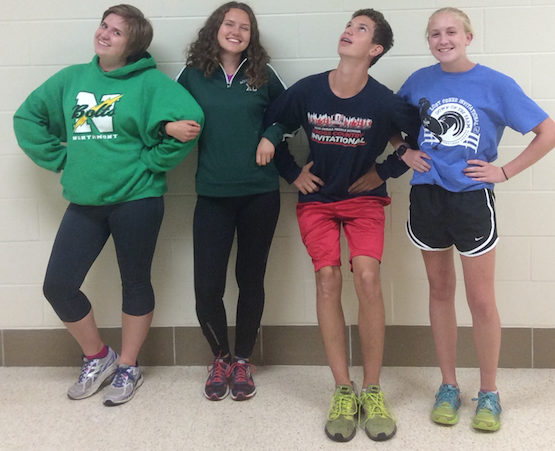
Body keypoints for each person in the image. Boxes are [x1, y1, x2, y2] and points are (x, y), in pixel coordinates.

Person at [13, 4, 204, 406]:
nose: (105, 34)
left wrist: (151, 161)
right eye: (105, 25)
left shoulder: (151, 83)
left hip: (137, 198)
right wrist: (63, 159)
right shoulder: (72, 79)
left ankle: (129, 366)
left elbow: (191, 120)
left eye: (117, 32)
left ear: (132, 46)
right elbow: (27, 118)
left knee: (134, 283)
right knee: (59, 286)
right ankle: (99, 356)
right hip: (85, 201)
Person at [259, 9, 420, 442]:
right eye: (350, 24)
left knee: (367, 277)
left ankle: (372, 389)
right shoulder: (310, 89)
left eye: (361, 29)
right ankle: (342, 390)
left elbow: (416, 142)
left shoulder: (385, 100)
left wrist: (384, 172)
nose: (349, 31)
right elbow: (274, 123)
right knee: (328, 278)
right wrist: (292, 172)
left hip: (364, 202)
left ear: (376, 49)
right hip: (318, 203)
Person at [396, 7, 555, 432]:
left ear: (468, 37)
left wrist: (503, 171)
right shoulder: (417, 83)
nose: (442, 39)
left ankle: (489, 393)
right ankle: (448, 386)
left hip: (471, 200)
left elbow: (548, 132)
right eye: (434, 33)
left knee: (481, 300)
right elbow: (389, 122)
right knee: (440, 291)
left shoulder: (496, 84)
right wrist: (403, 151)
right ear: (428, 41)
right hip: (427, 196)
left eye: (451, 32)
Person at [173, 2, 286, 401]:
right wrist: (170, 125)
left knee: (250, 281)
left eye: (245, 26)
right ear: (214, 29)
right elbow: (163, 111)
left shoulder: (263, 74)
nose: (236, 31)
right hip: (213, 196)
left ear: (251, 35)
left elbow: (286, 114)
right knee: (207, 286)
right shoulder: (191, 75)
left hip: (260, 194)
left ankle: (242, 360)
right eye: (229, 24)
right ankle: (219, 357)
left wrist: (271, 135)